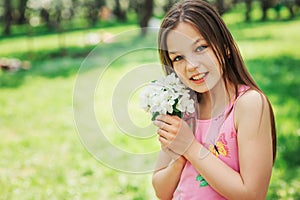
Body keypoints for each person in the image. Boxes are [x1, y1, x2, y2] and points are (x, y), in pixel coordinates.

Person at [152, 0, 277, 199]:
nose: (191, 65)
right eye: (178, 58)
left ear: (225, 47)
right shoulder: (183, 108)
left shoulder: (248, 105)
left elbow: (253, 194)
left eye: (200, 48)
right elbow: (161, 190)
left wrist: (190, 147)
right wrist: (178, 157)